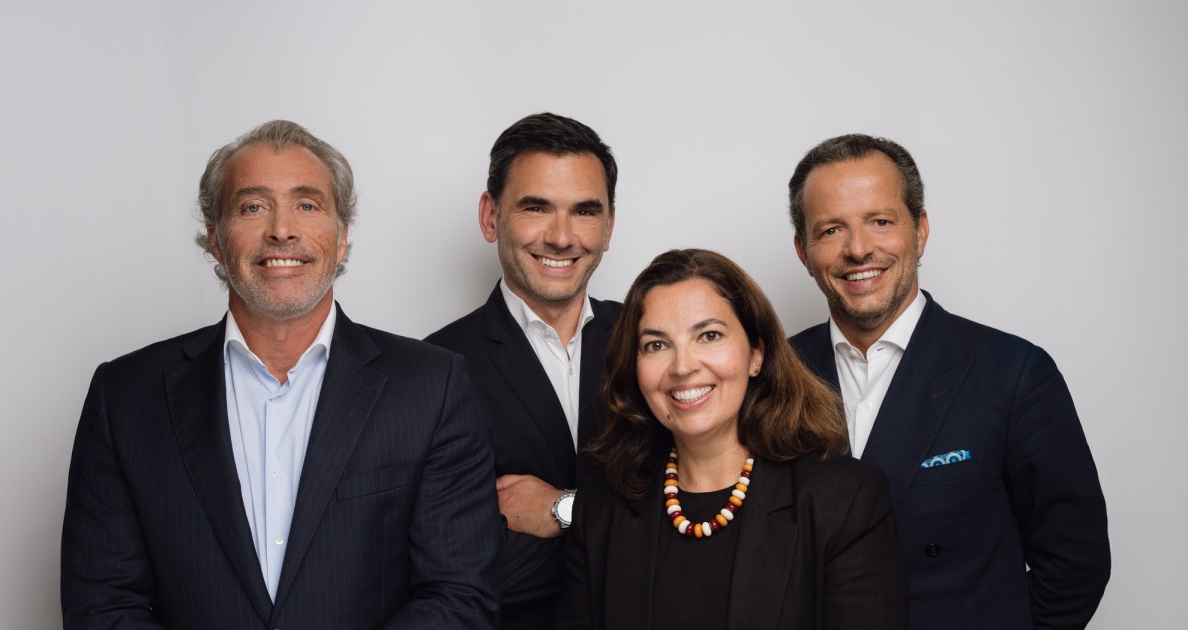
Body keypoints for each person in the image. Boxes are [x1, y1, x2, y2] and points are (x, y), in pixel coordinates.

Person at [60, 120, 500, 628]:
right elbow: (103, 607)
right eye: (253, 207)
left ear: (342, 237)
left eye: (307, 205)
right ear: (216, 238)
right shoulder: (124, 397)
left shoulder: (431, 387)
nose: (281, 230)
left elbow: (459, 596)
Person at [787, 133, 1110, 629]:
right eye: (831, 230)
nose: (859, 249)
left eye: (880, 221)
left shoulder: (1014, 374)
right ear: (803, 251)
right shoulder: (776, 375)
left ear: (919, 231)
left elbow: (1075, 564)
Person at [557, 248, 908, 629]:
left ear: (756, 354)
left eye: (709, 336)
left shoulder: (845, 501)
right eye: (656, 345)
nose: (683, 367)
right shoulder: (602, 505)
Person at [426, 112, 619, 629]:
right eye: (536, 208)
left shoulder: (654, 343)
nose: (561, 237)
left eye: (584, 211)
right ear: (491, 217)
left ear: (608, 227)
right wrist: (633, 541)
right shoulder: (434, 369)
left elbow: (706, 514)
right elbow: (462, 562)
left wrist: (564, 510)